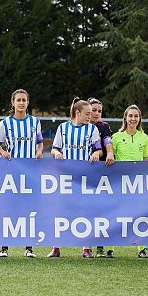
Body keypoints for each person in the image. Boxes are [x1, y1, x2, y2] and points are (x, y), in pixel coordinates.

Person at [49, 98, 104, 258]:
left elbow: (99, 150)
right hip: (65, 177)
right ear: (77, 113)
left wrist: (95, 153)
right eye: (87, 113)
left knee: (85, 211)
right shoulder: (63, 128)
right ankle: (56, 247)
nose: (90, 116)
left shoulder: (92, 129)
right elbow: (54, 149)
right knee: (61, 211)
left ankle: (86, 248)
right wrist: (57, 153)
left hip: (84, 178)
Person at [0, 89, 43, 258]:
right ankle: (4, 247)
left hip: (30, 172)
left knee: (28, 210)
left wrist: (39, 151)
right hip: (11, 172)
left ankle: (29, 248)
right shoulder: (5, 123)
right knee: (8, 209)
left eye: (24, 100)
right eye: (18, 100)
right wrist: (3, 153)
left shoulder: (35, 122)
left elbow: (40, 143)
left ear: (28, 103)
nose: (21, 103)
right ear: (13, 102)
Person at [111, 105, 148, 258]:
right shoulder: (116, 137)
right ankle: (110, 249)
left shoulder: (144, 137)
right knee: (115, 215)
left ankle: (142, 249)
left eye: (136, 116)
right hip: (119, 182)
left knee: (139, 215)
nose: (133, 119)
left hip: (137, 183)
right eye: (130, 116)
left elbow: (144, 160)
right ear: (125, 118)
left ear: (139, 118)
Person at [87, 98, 116, 257]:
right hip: (82, 173)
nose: (96, 114)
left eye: (99, 111)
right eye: (94, 110)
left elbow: (107, 142)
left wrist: (110, 153)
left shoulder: (104, 127)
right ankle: (85, 246)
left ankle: (100, 246)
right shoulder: (81, 125)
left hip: (101, 173)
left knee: (101, 210)